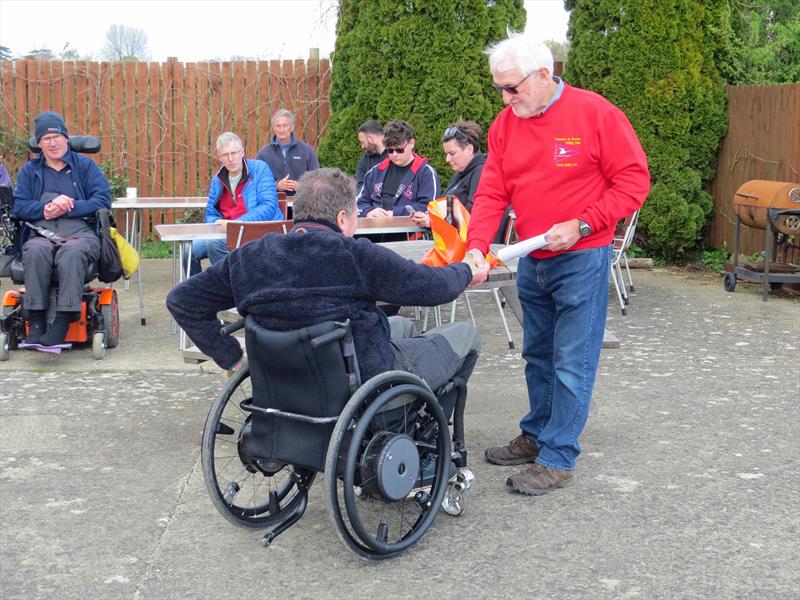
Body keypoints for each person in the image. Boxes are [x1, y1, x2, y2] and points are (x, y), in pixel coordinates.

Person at [466, 34, 650, 495]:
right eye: (500, 90)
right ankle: (536, 434)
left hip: (582, 258)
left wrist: (585, 225)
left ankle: (559, 456)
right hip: (532, 257)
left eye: (513, 88)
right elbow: (491, 191)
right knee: (537, 355)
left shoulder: (596, 114)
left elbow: (633, 181)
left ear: (545, 75)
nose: (506, 99)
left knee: (572, 360)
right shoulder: (506, 125)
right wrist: (476, 245)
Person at [167, 168, 487, 403]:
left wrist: (232, 357)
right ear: (343, 216)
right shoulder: (356, 255)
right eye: (356, 217)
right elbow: (433, 288)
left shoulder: (251, 257)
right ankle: (426, 443)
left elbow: (182, 301)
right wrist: (466, 269)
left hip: (285, 380)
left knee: (400, 324)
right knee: (466, 336)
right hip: (360, 380)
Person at [11, 111, 112, 346]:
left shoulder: (85, 166)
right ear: (39, 144)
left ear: (66, 139)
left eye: (56, 137)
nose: (52, 142)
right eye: (46, 139)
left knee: (72, 252)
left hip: (80, 231)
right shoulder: (30, 171)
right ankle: (35, 318)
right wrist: (45, 210)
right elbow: (19, 206)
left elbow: (103, 201)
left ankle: (65, 318)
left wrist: (70, 206)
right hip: (42, 231)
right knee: (35, 250)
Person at [189, 132, 281, 276]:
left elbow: (268, 206)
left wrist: (236, 224)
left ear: (242, 152)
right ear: (220, 157)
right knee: (189, 250)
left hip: (258, 230)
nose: (231, 159)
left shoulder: (260, 169)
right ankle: (196, 291)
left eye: (234, 153)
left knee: (214, 244)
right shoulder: (217, 179)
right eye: (225, 155)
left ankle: (230, 289)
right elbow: (211, 213)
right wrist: (217, 223)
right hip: (228, 232)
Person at [409, 120, 487, 228]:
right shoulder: (460, 173)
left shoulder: (481, 173)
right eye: (446, 154)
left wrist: (433, 222)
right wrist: (428, 217)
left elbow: (472, 217)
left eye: (452, 153)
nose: (447, 159)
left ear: (469, 149)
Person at [357, 120, 439, 218]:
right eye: (390, 150)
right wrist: (368, 212)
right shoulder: (375, 172)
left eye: (400, 150)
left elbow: (429, 207)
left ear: (411, 143)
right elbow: (359, 203)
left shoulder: (425, 173)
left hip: (409, 231)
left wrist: (395, 214)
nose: (394, 154)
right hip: (375, 231)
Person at [255, 109, 320, 196]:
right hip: (274, 203)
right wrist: (276, 186)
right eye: (278, 126)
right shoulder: (263, 154)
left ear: (292, 127)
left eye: (285, 126)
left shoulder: (307, 151)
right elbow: (257, 183)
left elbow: (317, 178)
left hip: (302, 203)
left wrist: (302, 186)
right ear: (274, 128)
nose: (281, 130)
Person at [355, 119, 387, 189]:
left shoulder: (396, 154)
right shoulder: (365, 160)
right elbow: (360, 187)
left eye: (362, 142)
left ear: (371, 139)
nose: (362, 146)